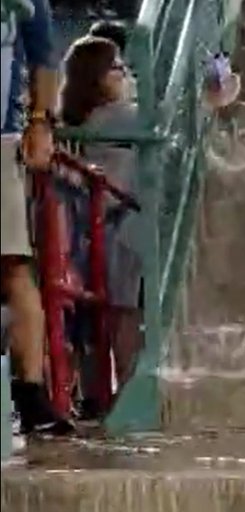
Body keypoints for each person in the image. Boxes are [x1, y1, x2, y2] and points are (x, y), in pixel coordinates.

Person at [2, 0, 74, 434]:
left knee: (12, 263)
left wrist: (41, 122)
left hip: (2, 138)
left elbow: (44, 53)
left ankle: (30, 394)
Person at [60, 35, 142, 387]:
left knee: (121, 314)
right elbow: (168, 116)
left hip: (106, 226)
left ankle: (110, 388)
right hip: (118, 227)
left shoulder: (96, 119)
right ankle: (125, 387)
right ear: (93, 76)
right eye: (115, 67)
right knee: (126, 313)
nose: (124, 74)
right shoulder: (113, 117)